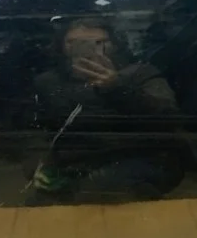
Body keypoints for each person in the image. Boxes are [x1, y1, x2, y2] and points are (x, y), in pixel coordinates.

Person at [24, 18, 183, 205]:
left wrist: (116, 87)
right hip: (72, 162)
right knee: (37, 207)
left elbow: (168, 118)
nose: (86, 48)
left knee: (99, 192)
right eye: (74, 42)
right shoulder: (47, 82)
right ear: (61, 46)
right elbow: (33, 126)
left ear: (115, 44)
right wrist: (40, 161)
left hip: (138, 157)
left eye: (98, 42)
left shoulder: (139, 73)